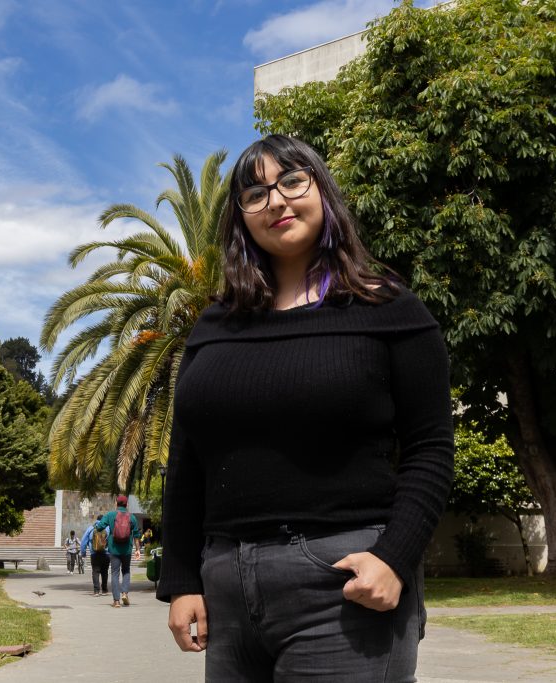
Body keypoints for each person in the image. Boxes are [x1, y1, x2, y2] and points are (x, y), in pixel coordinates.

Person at [157, 134, 454, 682]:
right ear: (240, 217)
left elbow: (430, 447)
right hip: (227, 588)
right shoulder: (214, 326)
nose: (275, 201)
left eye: (292, 181)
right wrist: (181, 579)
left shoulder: (388, 307)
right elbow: (187, 459)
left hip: (341, 586)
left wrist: (395, 557)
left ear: (322, 189)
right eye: (255, 194)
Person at [96, 495, 141, 608]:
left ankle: (116, 601)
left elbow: (99, 527)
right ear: (127, 505)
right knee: (126, 571)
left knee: (115, 573)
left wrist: (99, 526)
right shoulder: (132, 517)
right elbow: (136, 535)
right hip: (127, 550)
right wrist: (137, 550)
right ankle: (124, 593)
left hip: (114, 549)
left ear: (116, 503)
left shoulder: (110, 515)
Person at [82, 514, 110, 596]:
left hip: (94, 554)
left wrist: (83, 553)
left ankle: (96, 591)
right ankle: (104, 590)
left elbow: (83, 542)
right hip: (106, 554)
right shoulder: (108, 528)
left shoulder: (91, 528)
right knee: (105, 572)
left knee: (95, 571)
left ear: (96, 520)